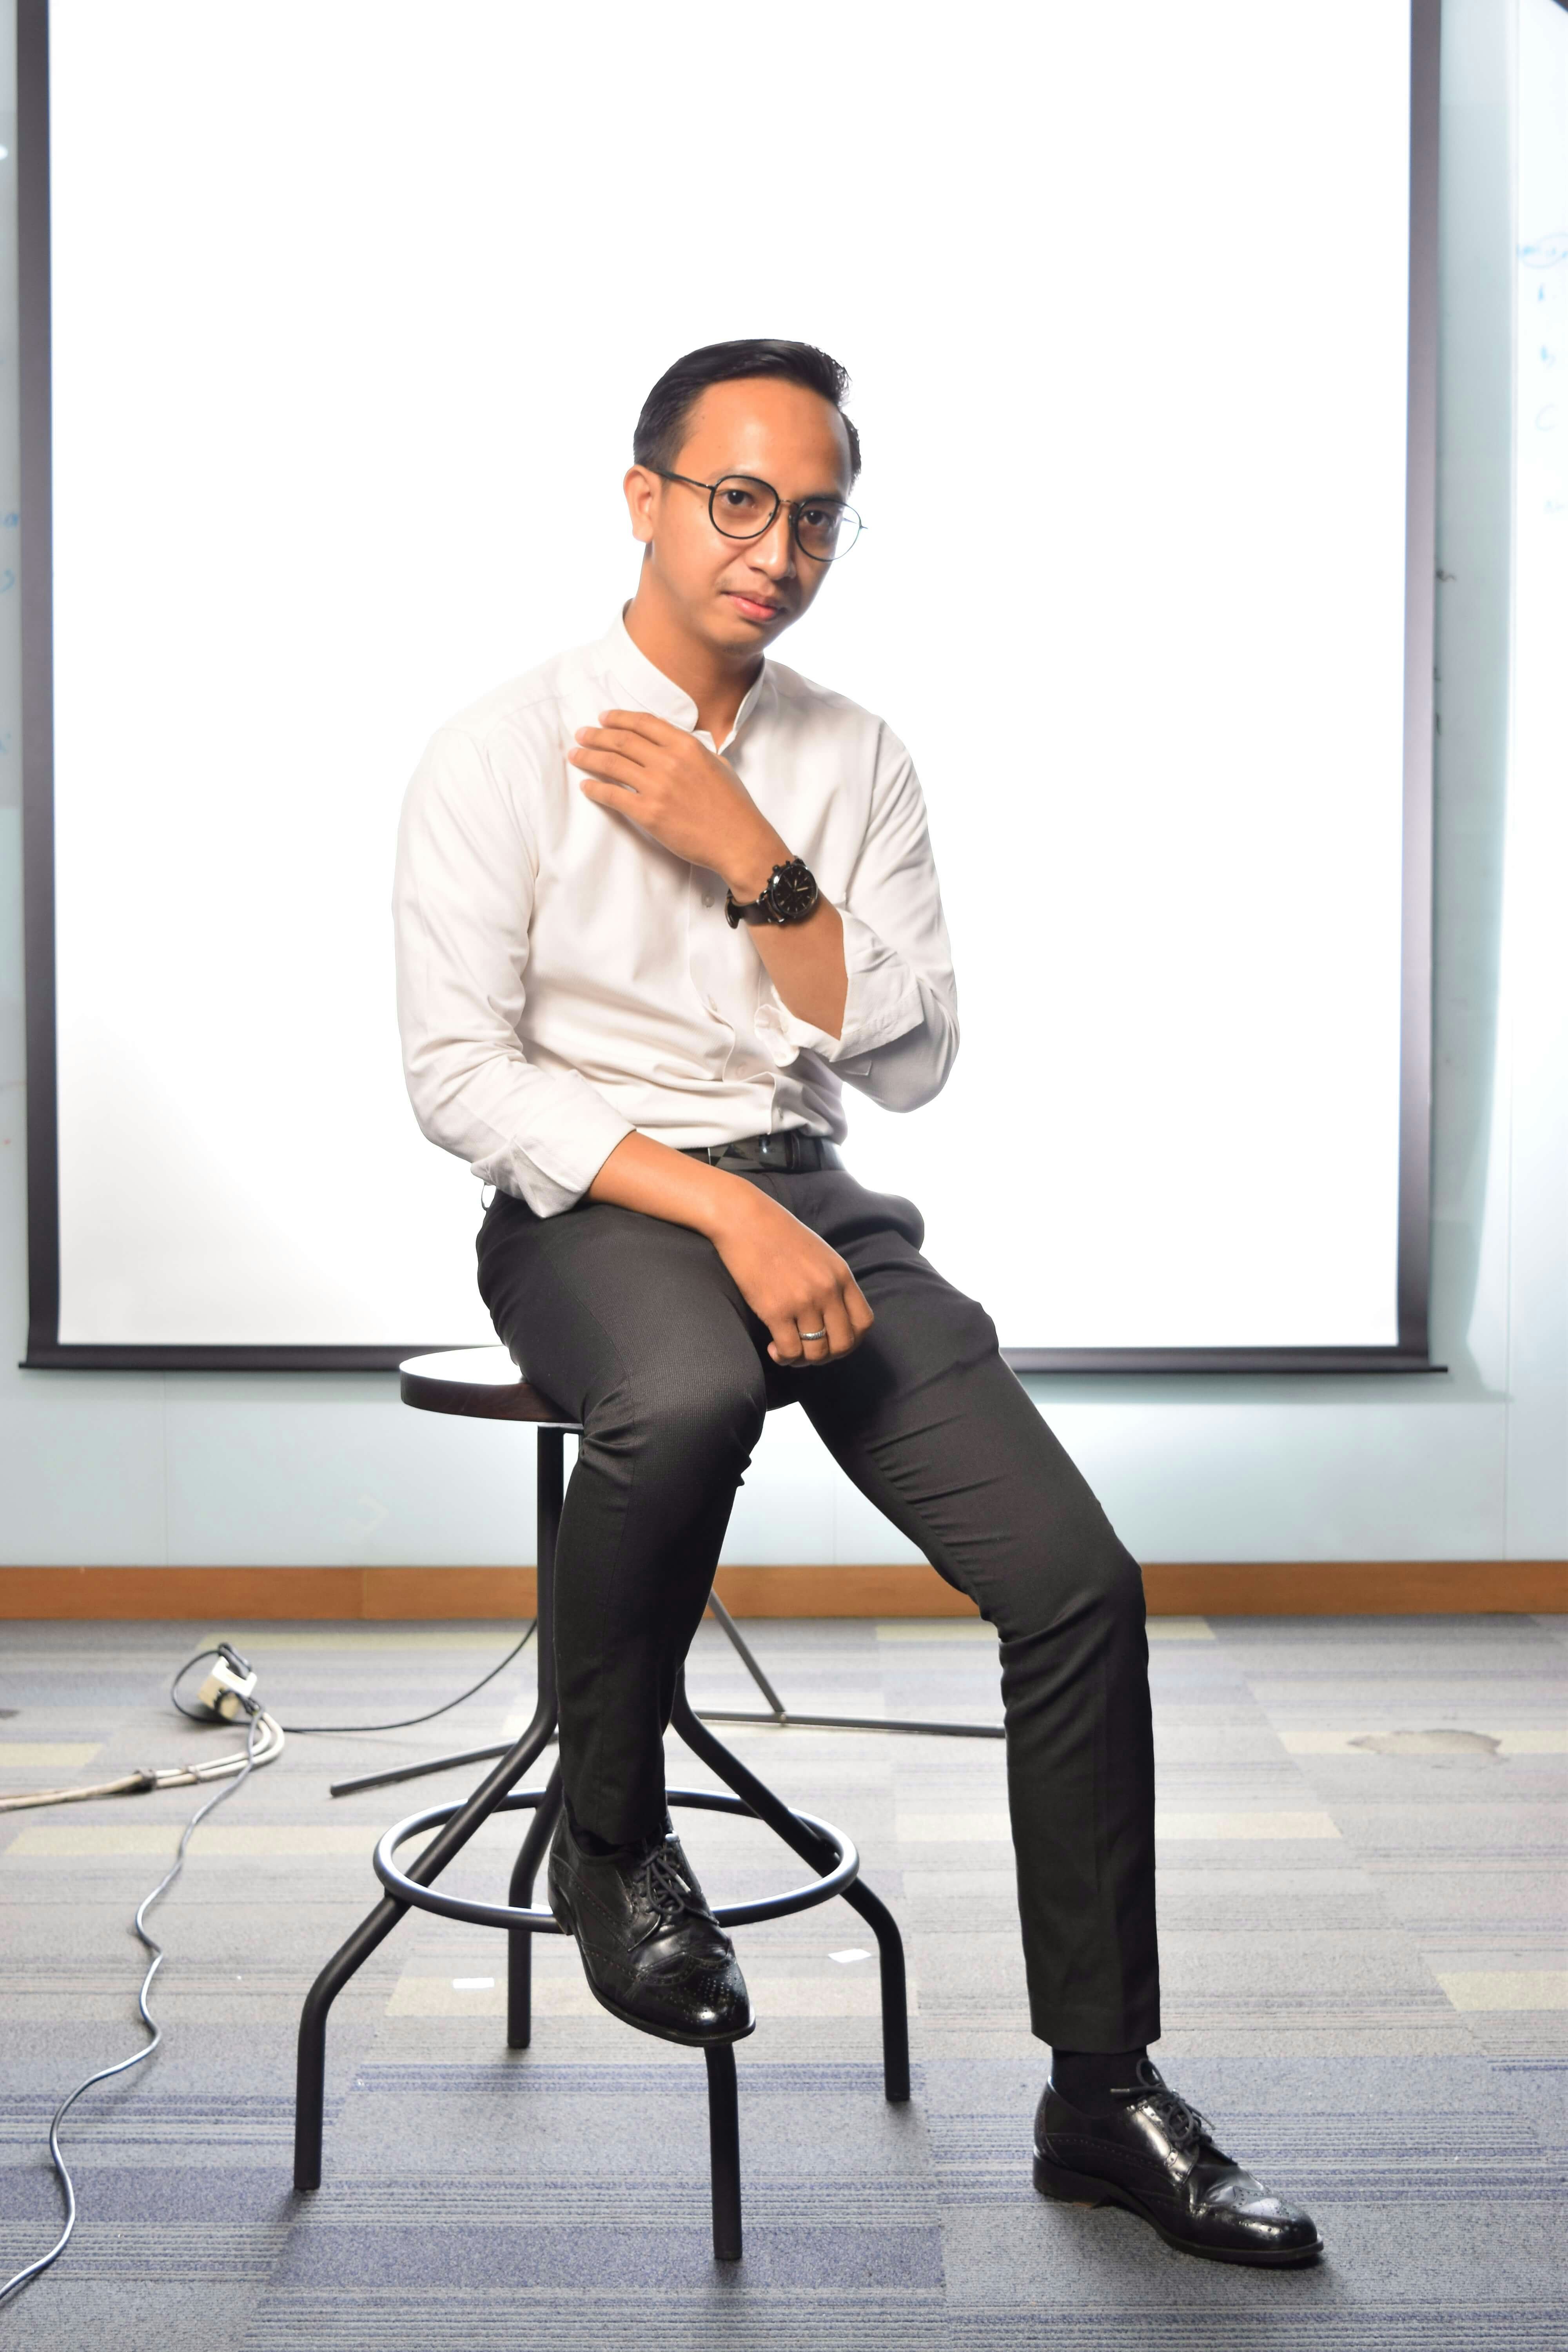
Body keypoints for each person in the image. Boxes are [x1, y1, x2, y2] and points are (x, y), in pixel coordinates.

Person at [393, 338, 1321, 2268]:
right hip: (592, 1210)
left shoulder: (849, 751)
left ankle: (1101, 2093)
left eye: (815, 514)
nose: (776, 547)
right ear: (643, 498)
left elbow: (903, 1060)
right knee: (689, 1400)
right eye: (738, 499)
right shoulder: (497, 749)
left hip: (814, 1190)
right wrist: (716, 1227)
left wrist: (759, 864)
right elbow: (459, 1078)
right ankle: (616, 1836)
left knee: (1078, 1583)